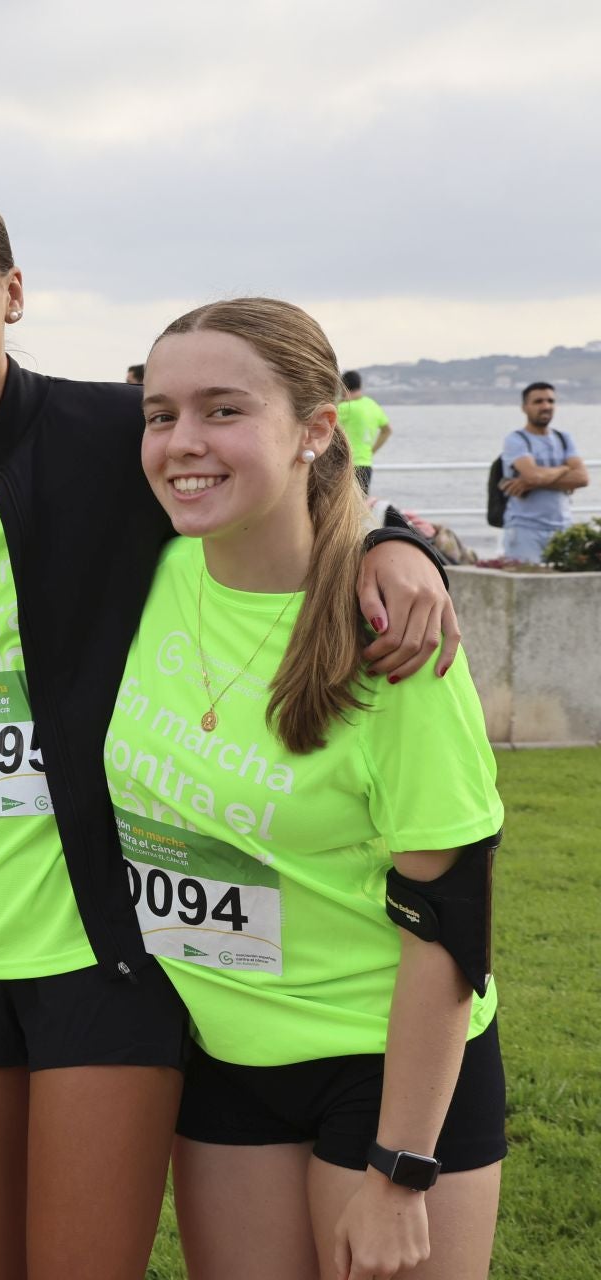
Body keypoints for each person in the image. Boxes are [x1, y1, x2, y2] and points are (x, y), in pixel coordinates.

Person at [0, 177, 458, 1280]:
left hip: (101, 946)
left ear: (12, 291)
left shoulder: (106, 434)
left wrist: (398, 542)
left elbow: (268, 483)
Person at [115, 297, 504, 1280]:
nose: (183, 442)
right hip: (226, 1057)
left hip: (388, 1069)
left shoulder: (393, 640)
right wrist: (404, 533)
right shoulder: (152, 569)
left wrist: (401, 1170)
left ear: (317, 429)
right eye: (161, 414)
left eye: (223, 410)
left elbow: (448, 913)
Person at [498, 381, 587, 562]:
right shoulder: (516, 440)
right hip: (525, 529)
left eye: (550, 401)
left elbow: (582, 478)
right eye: (538, 401)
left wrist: (536, 480)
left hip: (563, 527)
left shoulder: (564, 438)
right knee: (526, 587)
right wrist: (564, 468)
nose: (546, 406)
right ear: (524, 407)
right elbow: (533, 475)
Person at [337, 371, 392, 493]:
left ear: (343, 386)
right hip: (366, 464)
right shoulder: (372, 405)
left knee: (341, 508)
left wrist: (340, 400)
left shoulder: (344, 407)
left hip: (346, 465)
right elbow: (387, 430)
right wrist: (371, 450)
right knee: (360, 507)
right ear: (360, 385)